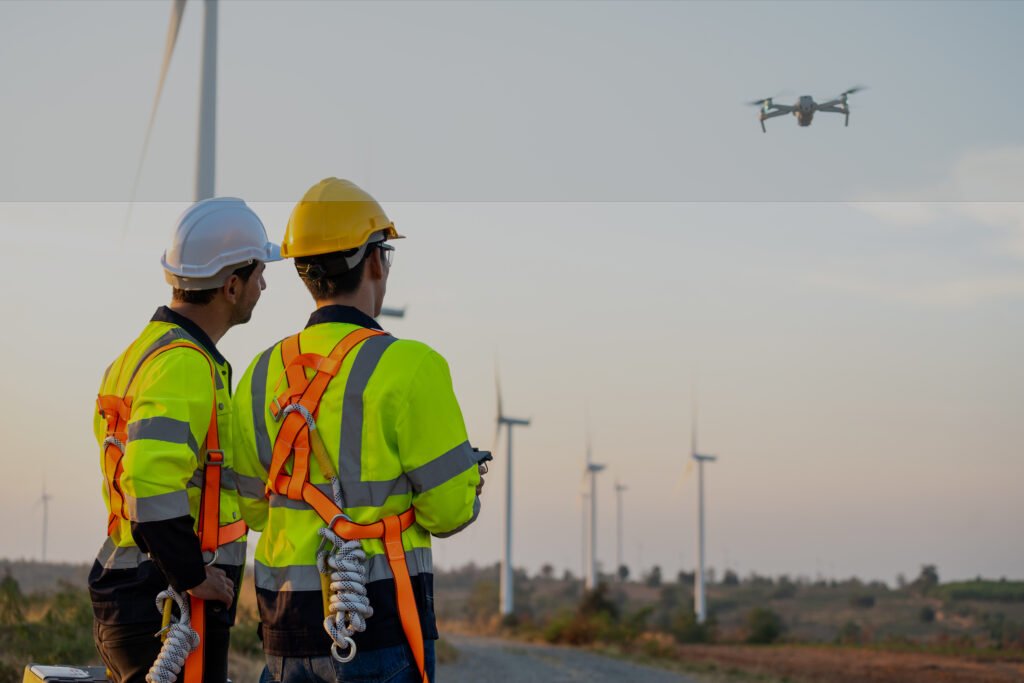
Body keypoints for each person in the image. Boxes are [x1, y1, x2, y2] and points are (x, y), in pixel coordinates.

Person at [232, 178, 484, 683]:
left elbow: (254, 509)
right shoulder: (411, 366)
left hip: (283, 635)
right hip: (376, 629)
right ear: (374, 262)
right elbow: (449, 512)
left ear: (305, 273)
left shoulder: (259, 374)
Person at [90, 198, 281, 683]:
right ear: (231, 285)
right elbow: (151, 486)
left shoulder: (143, 352)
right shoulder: (183, 364)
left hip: (150, 596)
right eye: (258, 273)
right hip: (165, 604)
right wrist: (193, 575)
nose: (264, 285)